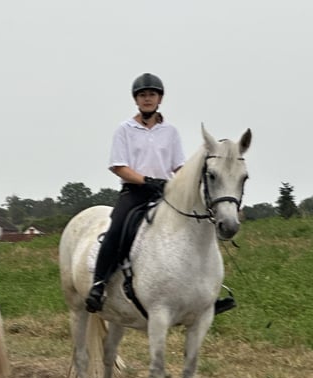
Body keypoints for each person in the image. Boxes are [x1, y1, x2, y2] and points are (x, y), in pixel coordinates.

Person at [84, 73, 236, 316]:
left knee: (197, 227)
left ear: (159, 99)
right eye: (143, 95)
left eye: (151, 95)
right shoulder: (125, 130)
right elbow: (118, 166)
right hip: (134, 193)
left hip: (166, 192)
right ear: (136, 100)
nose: (147, 99)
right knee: (118, 229)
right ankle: (99, 285)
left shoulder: (171, 132)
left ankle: (206, 295)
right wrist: (146, 181)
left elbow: (179, 167)